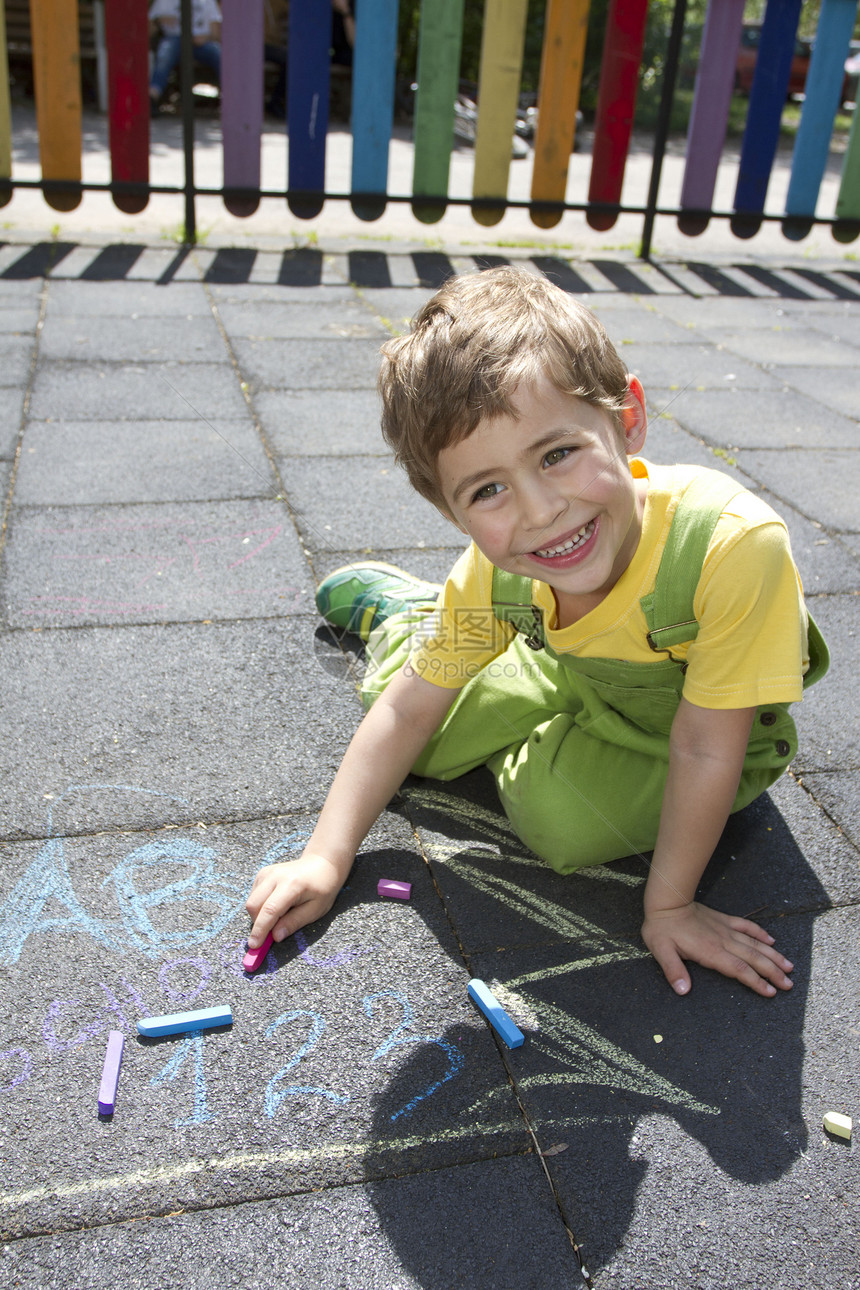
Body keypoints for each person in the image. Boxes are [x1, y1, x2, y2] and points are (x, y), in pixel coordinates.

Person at [246, 267, 828, 999]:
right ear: (454, 515)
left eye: (557, 454)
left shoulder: (730, 547)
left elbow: (706, 743)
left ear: (627, 419)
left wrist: (669, 905)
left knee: (564, 830)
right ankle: (415, 621)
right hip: (570, 673)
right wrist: (325, 859)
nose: (542, 511)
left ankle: (490, 665)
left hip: (697, 730)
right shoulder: (500, 570)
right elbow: (405, 709)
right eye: (487, 490)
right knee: (420, 740)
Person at [148, 0, 222, 115]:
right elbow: (149, 29)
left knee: (219, 54)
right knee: (165, 53)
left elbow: (216, 32)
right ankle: (153, 96)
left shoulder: (207, 1)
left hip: (201, 42)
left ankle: (234, 97)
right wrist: (158, 21)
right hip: (175, 39)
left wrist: (205, 37)